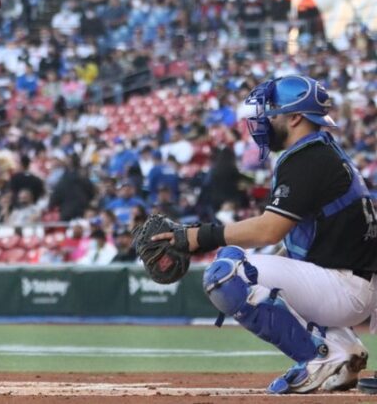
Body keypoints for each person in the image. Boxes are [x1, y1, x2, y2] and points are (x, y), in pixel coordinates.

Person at [152, 76, 376, 394]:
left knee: (226, 273)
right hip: (351, 283)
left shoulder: (308, 157)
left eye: (272, 109)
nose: (265, 118)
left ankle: (319, 357)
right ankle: (343, 349)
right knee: (254, 268)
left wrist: (197, 237)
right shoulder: (323, 152)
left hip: (344, 287)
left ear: (295, 117)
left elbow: (269, 229)